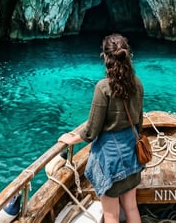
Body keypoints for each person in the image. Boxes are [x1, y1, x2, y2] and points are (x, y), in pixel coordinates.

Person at [58, 33, 144, 223]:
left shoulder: (103, 87)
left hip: (111, 159)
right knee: (131, 208)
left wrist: (71, 138)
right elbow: (139, 121)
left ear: (105, 57)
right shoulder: (137, 83)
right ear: (127, 55)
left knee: (111, 214)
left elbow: (91, 131)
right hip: (132, 153)